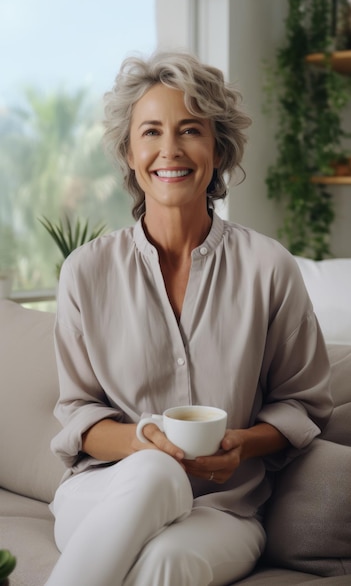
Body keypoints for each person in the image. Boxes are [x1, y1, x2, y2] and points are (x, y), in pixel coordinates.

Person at [45, 50, 333, 586]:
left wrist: (245, 444)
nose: (169, 150)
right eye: (150, 132)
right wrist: (144, 443)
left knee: (166, 563)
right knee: (154, 470)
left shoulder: (268, 267)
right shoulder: (86, 271)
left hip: (223, 509)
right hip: (103, 491)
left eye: (190, 130)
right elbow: (79, 412)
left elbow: (303, 402)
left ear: (218, 148)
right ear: (129, 153)